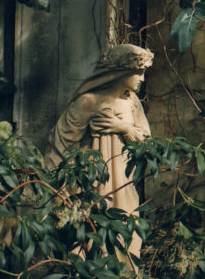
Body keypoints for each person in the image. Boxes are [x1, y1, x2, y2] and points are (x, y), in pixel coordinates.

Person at [44, 44, 154, 258]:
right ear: (121, 71)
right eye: (138, 72)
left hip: (123, 185)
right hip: (90, 187)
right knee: (92, 243)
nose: (141, 79)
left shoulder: (132, 104)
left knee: (126, 241)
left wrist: (124, 128)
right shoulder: (88, 101)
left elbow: (149, 146)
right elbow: (62, 146)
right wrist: (62, 191)